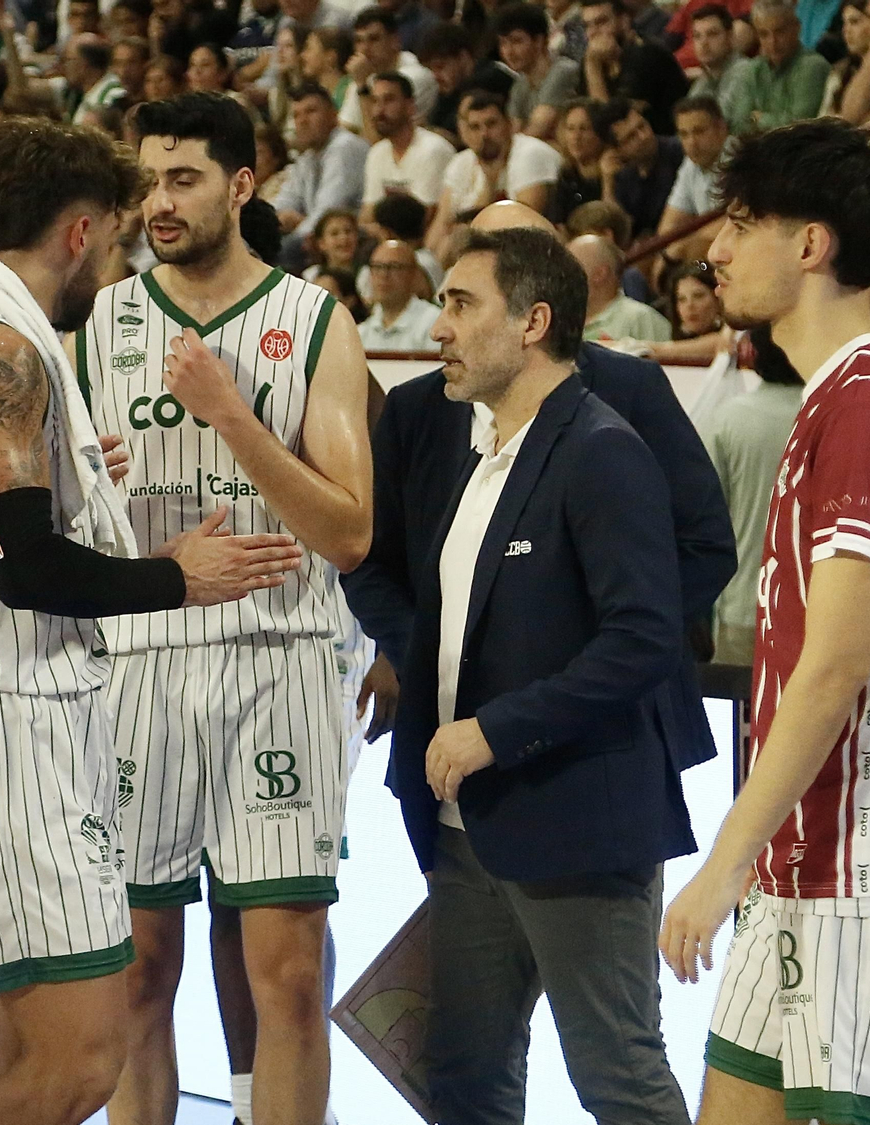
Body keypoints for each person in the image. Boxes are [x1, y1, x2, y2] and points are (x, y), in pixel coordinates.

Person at [0, 116, 302, 1125]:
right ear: (80, 233)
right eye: (111, 237)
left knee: (32, 1065)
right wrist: (176, 575)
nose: (112, 258)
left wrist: (70, 484)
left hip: (9, 726)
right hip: (13, 727)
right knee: (76, 1069)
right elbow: (18, 564)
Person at [659, 117, 870, 1125]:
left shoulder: (869, 400)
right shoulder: (832, 395)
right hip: (802, 858)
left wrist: (721, 859)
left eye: (741, 222)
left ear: (809, 245)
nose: (713, 248)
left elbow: (834, 664)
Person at [77, 92, 373, 1125]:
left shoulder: (315, 322)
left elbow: (346, 533)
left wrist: (233, 417)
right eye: (146, 180)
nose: (157, 202)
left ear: (242, 186)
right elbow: (68, 533)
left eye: (183, 179)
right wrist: (88, 492)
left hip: (278, 658)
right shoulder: (102, 321)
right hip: (143, 665)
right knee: (134, 972)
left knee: (286, 976)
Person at [341, 204, 736, 946]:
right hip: (452, 757)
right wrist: (425, 647)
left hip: (596, 754)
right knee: (467, 1045)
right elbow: (371, 562)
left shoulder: (626, 395)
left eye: (470, 296)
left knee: (613, 1042)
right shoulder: (420, 411)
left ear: (535, 304)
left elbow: (706, 544)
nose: (445, 323)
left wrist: (593, 645)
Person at [395, 224, 693, 1125]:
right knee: (464, 1080)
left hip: (576, 825)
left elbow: (644, 637)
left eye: (459, 303)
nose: (438, 327)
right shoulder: (484, 451)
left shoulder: (601, 447)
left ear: (532, 322)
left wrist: (495, 729)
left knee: (618, 1079)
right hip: (465, 829)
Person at [698, 335, 802, 664]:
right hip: (818, 607)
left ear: (752, 354)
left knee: (742, 714)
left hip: (745, 603)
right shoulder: (835, 414)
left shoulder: (727, 420)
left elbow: (704, 519)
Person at [427, 91, 563, 259]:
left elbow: (524, 224)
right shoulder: (460, 163)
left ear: (510, 125)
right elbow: (438, 232)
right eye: (475, 127)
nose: (484, 134)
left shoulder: (529, 154)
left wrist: (489, 188)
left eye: (491, 124)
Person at [273, 83, 371, 246]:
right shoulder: (307, 157)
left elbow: (328, 211)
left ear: (333, 114)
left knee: (285, 249)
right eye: (296, 115)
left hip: (351, 242)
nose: (302, 121)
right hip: (321, 239)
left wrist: (300, 225)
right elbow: (286, 200)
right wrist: (278, 219)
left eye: (311, 111)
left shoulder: (346, 147)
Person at [720, 0, 833, 134]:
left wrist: (759, 119)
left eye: (779, 32)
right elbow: (739, 124)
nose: (772, 42)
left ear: (796, 28)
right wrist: (775, 120)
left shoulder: (812, 66)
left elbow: (800, 127)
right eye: (764, 34)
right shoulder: (752, 69)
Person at [361, 72, 458, 225]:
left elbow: (424, 218)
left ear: (410, 106)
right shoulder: (377, 153)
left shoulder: (432, 150)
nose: (379, 110)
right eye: (375, 101)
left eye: (389, 100)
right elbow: (368, 216)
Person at [579, 0, 687, 132]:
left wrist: (593, 67)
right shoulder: (593, 58)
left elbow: (615, 128)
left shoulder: (647, 55)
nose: (592, 33)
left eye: (601, 22)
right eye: (587, 26)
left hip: (661, 142)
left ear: (624, 21)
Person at [343, 7, 442, 137]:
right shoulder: (364, 75)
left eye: (374, 39)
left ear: (395, 41)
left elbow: (379, 139)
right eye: (359, 41)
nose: (365, 49)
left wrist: (362, 87)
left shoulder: (415, 76)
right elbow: (347, 129)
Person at [658, 96, 730, 265]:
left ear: (721, 128)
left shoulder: (740, 158)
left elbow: (732, 222)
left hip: (739, 251)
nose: (692, 143)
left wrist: (683, 245)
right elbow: (667, 229)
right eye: (684, 134)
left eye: (699, 131)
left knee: (693, 251)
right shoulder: (690, 165)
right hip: (709, 254)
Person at [494, 2, 583, 139]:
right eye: (503, 43)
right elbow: (513, 133)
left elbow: (537, 131)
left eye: (516, 41)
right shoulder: (521, 83)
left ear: (539, 41)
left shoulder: (563, 71)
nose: (508, 52)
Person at [601, 99, 683, 237]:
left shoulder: (677, 151)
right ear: (616, 150)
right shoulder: (624, 175)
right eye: (631, 137)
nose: (643, 137)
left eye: (642, 126)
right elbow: (618, 233)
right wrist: (608, 182)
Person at [571, 232, 673, 341]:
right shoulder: (562, 320)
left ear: (599, 274)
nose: (559, 273)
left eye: (571, 265)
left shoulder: (641, 319)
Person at [418, 23, 519, 132]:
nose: (435, 76)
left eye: (440, 67)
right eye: (431, 69)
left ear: (463, 57)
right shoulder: (451, 86)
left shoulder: (491, 77)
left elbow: (455, 130)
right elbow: (435, 122)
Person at [358, 237, 441, 350]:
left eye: (393, 267)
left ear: (414, 275)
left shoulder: (433, 323)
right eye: (377, 267)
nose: (383, 275)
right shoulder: (361, 333)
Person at [680, 4, 738, 97]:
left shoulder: (745, 73)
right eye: (697, 36)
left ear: (730, 37)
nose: (703, 43)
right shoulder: (701, 83)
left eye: (712, 34)